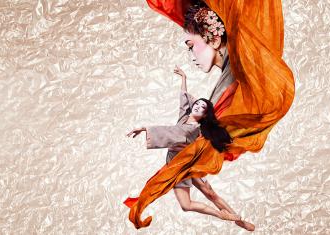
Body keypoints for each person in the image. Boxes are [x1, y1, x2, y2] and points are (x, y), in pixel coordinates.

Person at [126, 0, 295, 230]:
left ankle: (236, 219)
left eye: (191, 46)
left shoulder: (241, 63)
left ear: (214, 39)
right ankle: (239, 220)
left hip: (195, 148)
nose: (191, 55)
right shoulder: (226, 77)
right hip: (192, 151)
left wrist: (149, 130)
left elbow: (191, 130)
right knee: (204, 192)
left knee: (202, 192)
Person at [125, 66, 247, 225]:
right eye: (197, 104)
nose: (197, 106)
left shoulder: (193, 129)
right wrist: (184, 79)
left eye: (203, 107)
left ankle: (238, 220)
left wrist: (144, 129)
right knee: (186, 205)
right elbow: (184, 102)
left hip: (187, 163)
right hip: (176, 166)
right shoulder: (185, 118)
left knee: (210, 193)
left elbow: (172, 132)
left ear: (204, 115)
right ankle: (223, 215)